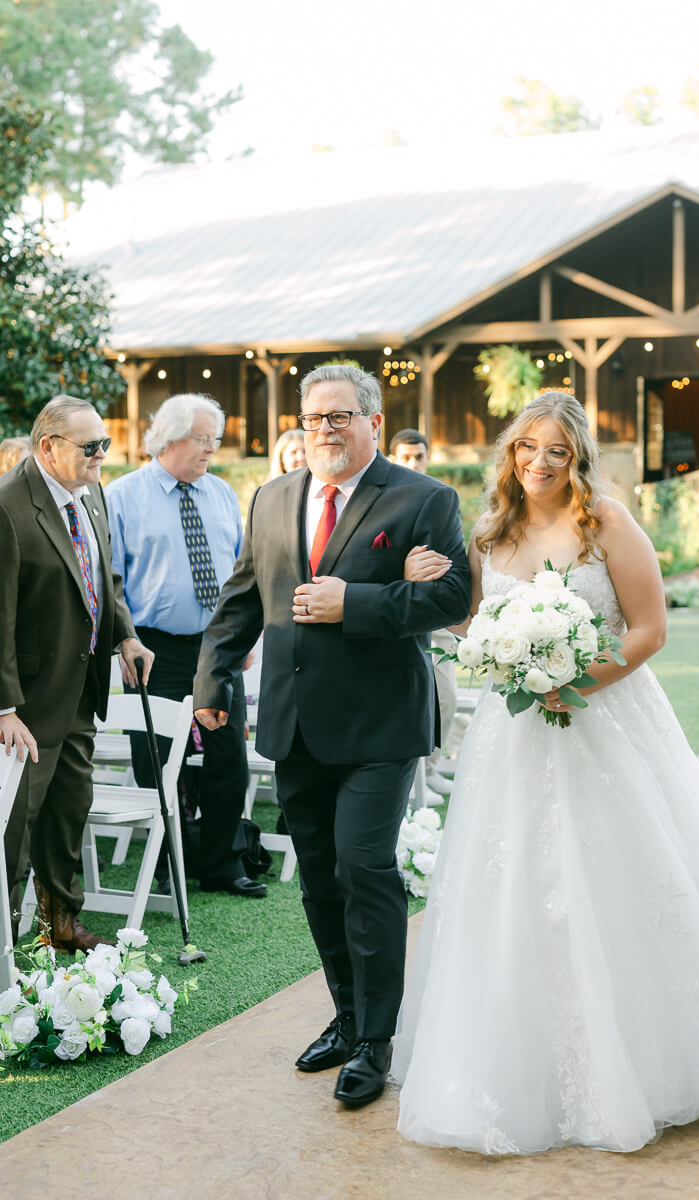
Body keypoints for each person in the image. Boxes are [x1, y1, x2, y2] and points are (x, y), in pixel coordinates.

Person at [393, 390, 699, 1155]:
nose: (539, 462)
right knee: (512, 886)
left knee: (622, 873)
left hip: (604, 722)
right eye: (526, 448)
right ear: (509, 454)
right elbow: (478, 626)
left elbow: (649, 629)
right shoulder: (491, 530)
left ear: (578, 458)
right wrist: (433, 595)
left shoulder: (604, 522)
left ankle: (653, 1054)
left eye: (556, 451)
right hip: (512, 740)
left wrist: (571, 683)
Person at [193, 364, 471, 1108]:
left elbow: (452, 596)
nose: (325, 429)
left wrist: (361, 601)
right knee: (317, 879)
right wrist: (212, 681)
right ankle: (347, 1018)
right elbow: (243, 597)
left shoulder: (424, 499)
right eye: (315, 418)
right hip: (294, 722)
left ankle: (377, 1041)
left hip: (381, 725)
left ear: (374, 422)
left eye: (341, 416)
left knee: (363, 868)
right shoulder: (275, 495)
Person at [0, 395, 153, 952]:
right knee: (14, 829)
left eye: (105, 444)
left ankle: (59, 925)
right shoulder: (8, 505)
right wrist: (4, 708)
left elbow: (103, 578)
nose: (102, 457)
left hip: (83, 692)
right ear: (49, 447)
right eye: (92, 447)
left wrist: (127, 635)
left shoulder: (91, 493)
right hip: (27, 705)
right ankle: (1, 944)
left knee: (68, 814)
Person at [105, 393, 265, 898]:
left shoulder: (220, 493)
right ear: (171, 437)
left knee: (227, 757)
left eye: (215, 441)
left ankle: (221, 862)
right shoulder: (123, 496)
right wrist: (126, 639)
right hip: (153, 646)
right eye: (204, 440)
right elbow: (113, 581)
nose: (212, 450)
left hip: (216, 646)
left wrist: (243, 634)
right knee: (154, 755)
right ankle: (166, 857)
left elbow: (242, 571)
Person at [388, 428, 459, 798]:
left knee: (444, 694)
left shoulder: (441, 497)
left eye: (419, 457)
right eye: (406, 457)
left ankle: (430, 767)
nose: (413, 464)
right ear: (393, 458)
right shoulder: (385, 497)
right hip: (395, 611)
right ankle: (411, 779)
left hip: (436, 614)